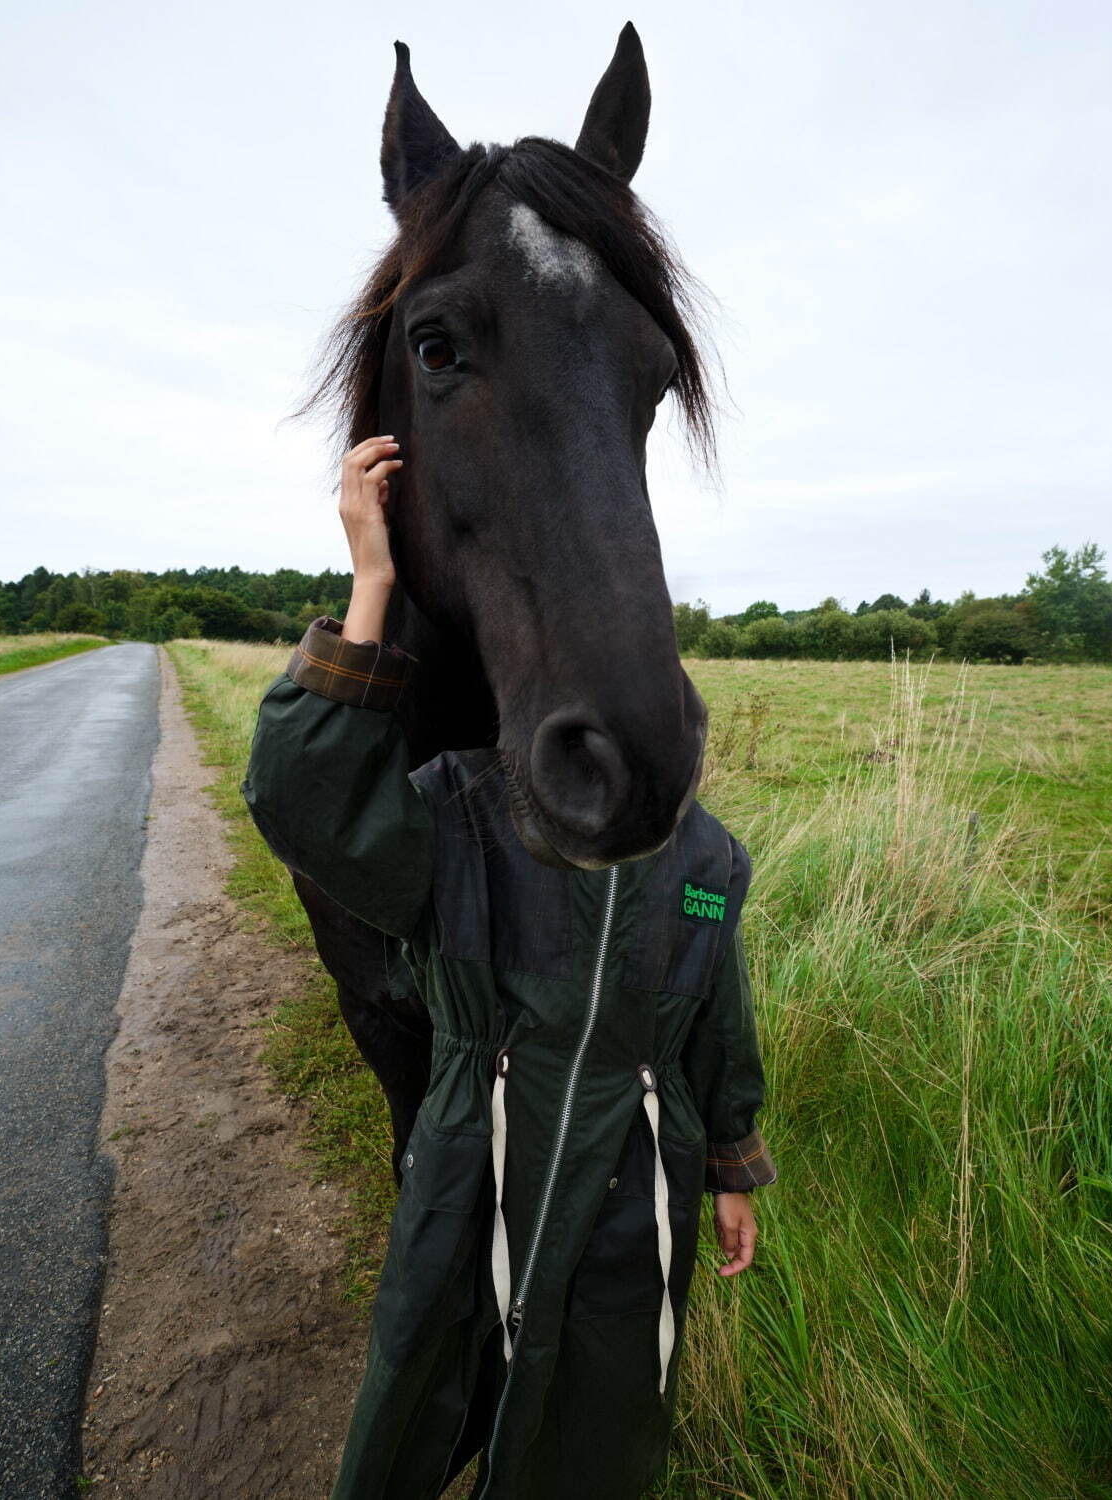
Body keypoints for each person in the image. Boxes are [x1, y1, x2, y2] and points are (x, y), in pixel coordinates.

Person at [242, 437, 777, 1500]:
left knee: (604, 1407)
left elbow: (720, 1016)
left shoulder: (709, 857)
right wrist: (372, 582)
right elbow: (305, 800)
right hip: (468, 1161)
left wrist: (728, 1167)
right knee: (431, 1374)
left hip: (639, 1177)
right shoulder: (459, 815)